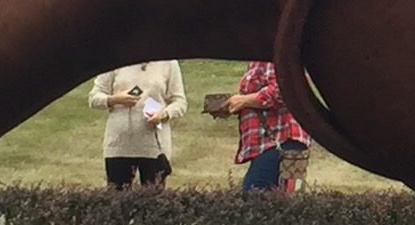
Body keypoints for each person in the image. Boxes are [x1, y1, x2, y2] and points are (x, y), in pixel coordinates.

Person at [207, 60, 311, 191]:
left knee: (254, 198)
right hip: (281, 143)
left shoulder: (270, 55)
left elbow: (283, 90)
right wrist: (236, 104)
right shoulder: (263, 57)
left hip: (278, 141)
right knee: (281, 202)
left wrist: (243, 101)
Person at [88, 61, 186, 189]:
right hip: (119, 145)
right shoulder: (115, 58)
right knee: (117, 199)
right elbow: (93, 98)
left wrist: (163, 114)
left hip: (154, 146)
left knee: (155, 200)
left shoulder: (169, 63)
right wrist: (114, 99)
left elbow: (179, 102)